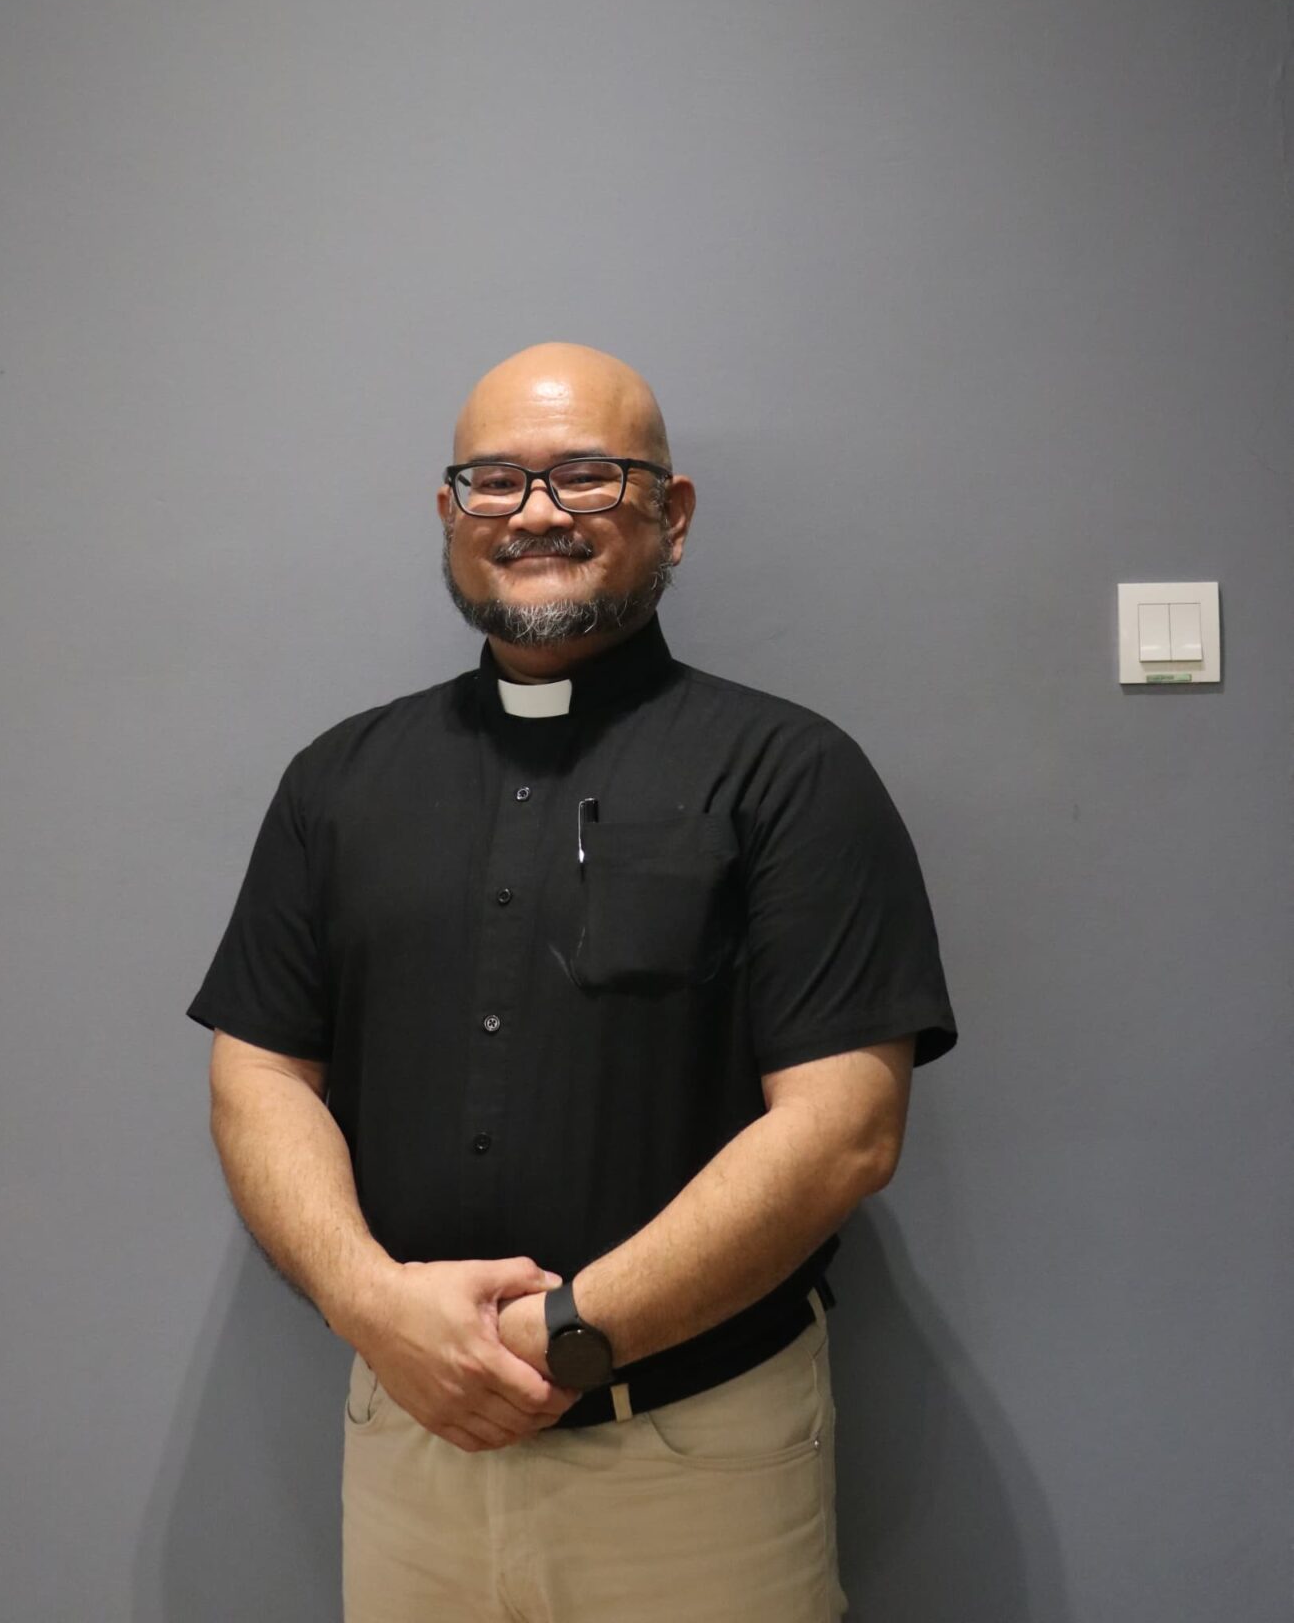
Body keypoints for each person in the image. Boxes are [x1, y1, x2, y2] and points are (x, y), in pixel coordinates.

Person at [188, 340, 957, 1622]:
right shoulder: (338, 781)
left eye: (587, 475)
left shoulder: (791, 774)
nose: (535, 510)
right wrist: (375, 1306)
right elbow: (258, 1070)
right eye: (495, 479)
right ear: (450, 512)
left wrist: (569, 1330)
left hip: (694, 1456)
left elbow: (845, 1130)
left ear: (673, 511)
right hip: (409, 1439)